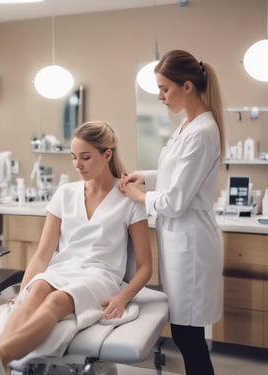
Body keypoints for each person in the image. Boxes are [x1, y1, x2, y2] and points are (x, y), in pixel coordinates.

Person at [0, 121, 152, 375]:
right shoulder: (65, 194)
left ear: (107, 155)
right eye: (74, 157)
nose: (78, 165)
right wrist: (23, 292)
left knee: (57, 300)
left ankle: (2, 357)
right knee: (38, 289)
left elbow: (145, 267)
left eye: (86, 157)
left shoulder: (130, 200)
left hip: (100, 276)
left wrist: (122, 298)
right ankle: (3, 366)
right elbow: (43, 254)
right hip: (63, 268)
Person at [119, 50, 224, 375]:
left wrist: (139, 195)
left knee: (188, 335)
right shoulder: (187, 126)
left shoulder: (202, 132)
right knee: (184, 332)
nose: (161, 96)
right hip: (181, 239)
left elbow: (176, 201)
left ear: (188, 86)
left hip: (191, 243)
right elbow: (175, 173)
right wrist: (145, 177)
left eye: (165, 88)